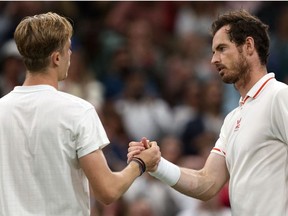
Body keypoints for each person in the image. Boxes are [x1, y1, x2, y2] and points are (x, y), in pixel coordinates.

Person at [128, 9, 288, 216]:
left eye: (222, 48)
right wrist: (156, 164)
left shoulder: (279, 96)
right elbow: (206, 183)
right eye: (213, 52)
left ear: (248, 46)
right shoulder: (232, 119)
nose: (214, 59)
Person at [0, 12, 160, 216]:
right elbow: (108, 191)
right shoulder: (78, 111)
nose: (71, 55)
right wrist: (141, 163)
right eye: (68, 49)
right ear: (56, 58)